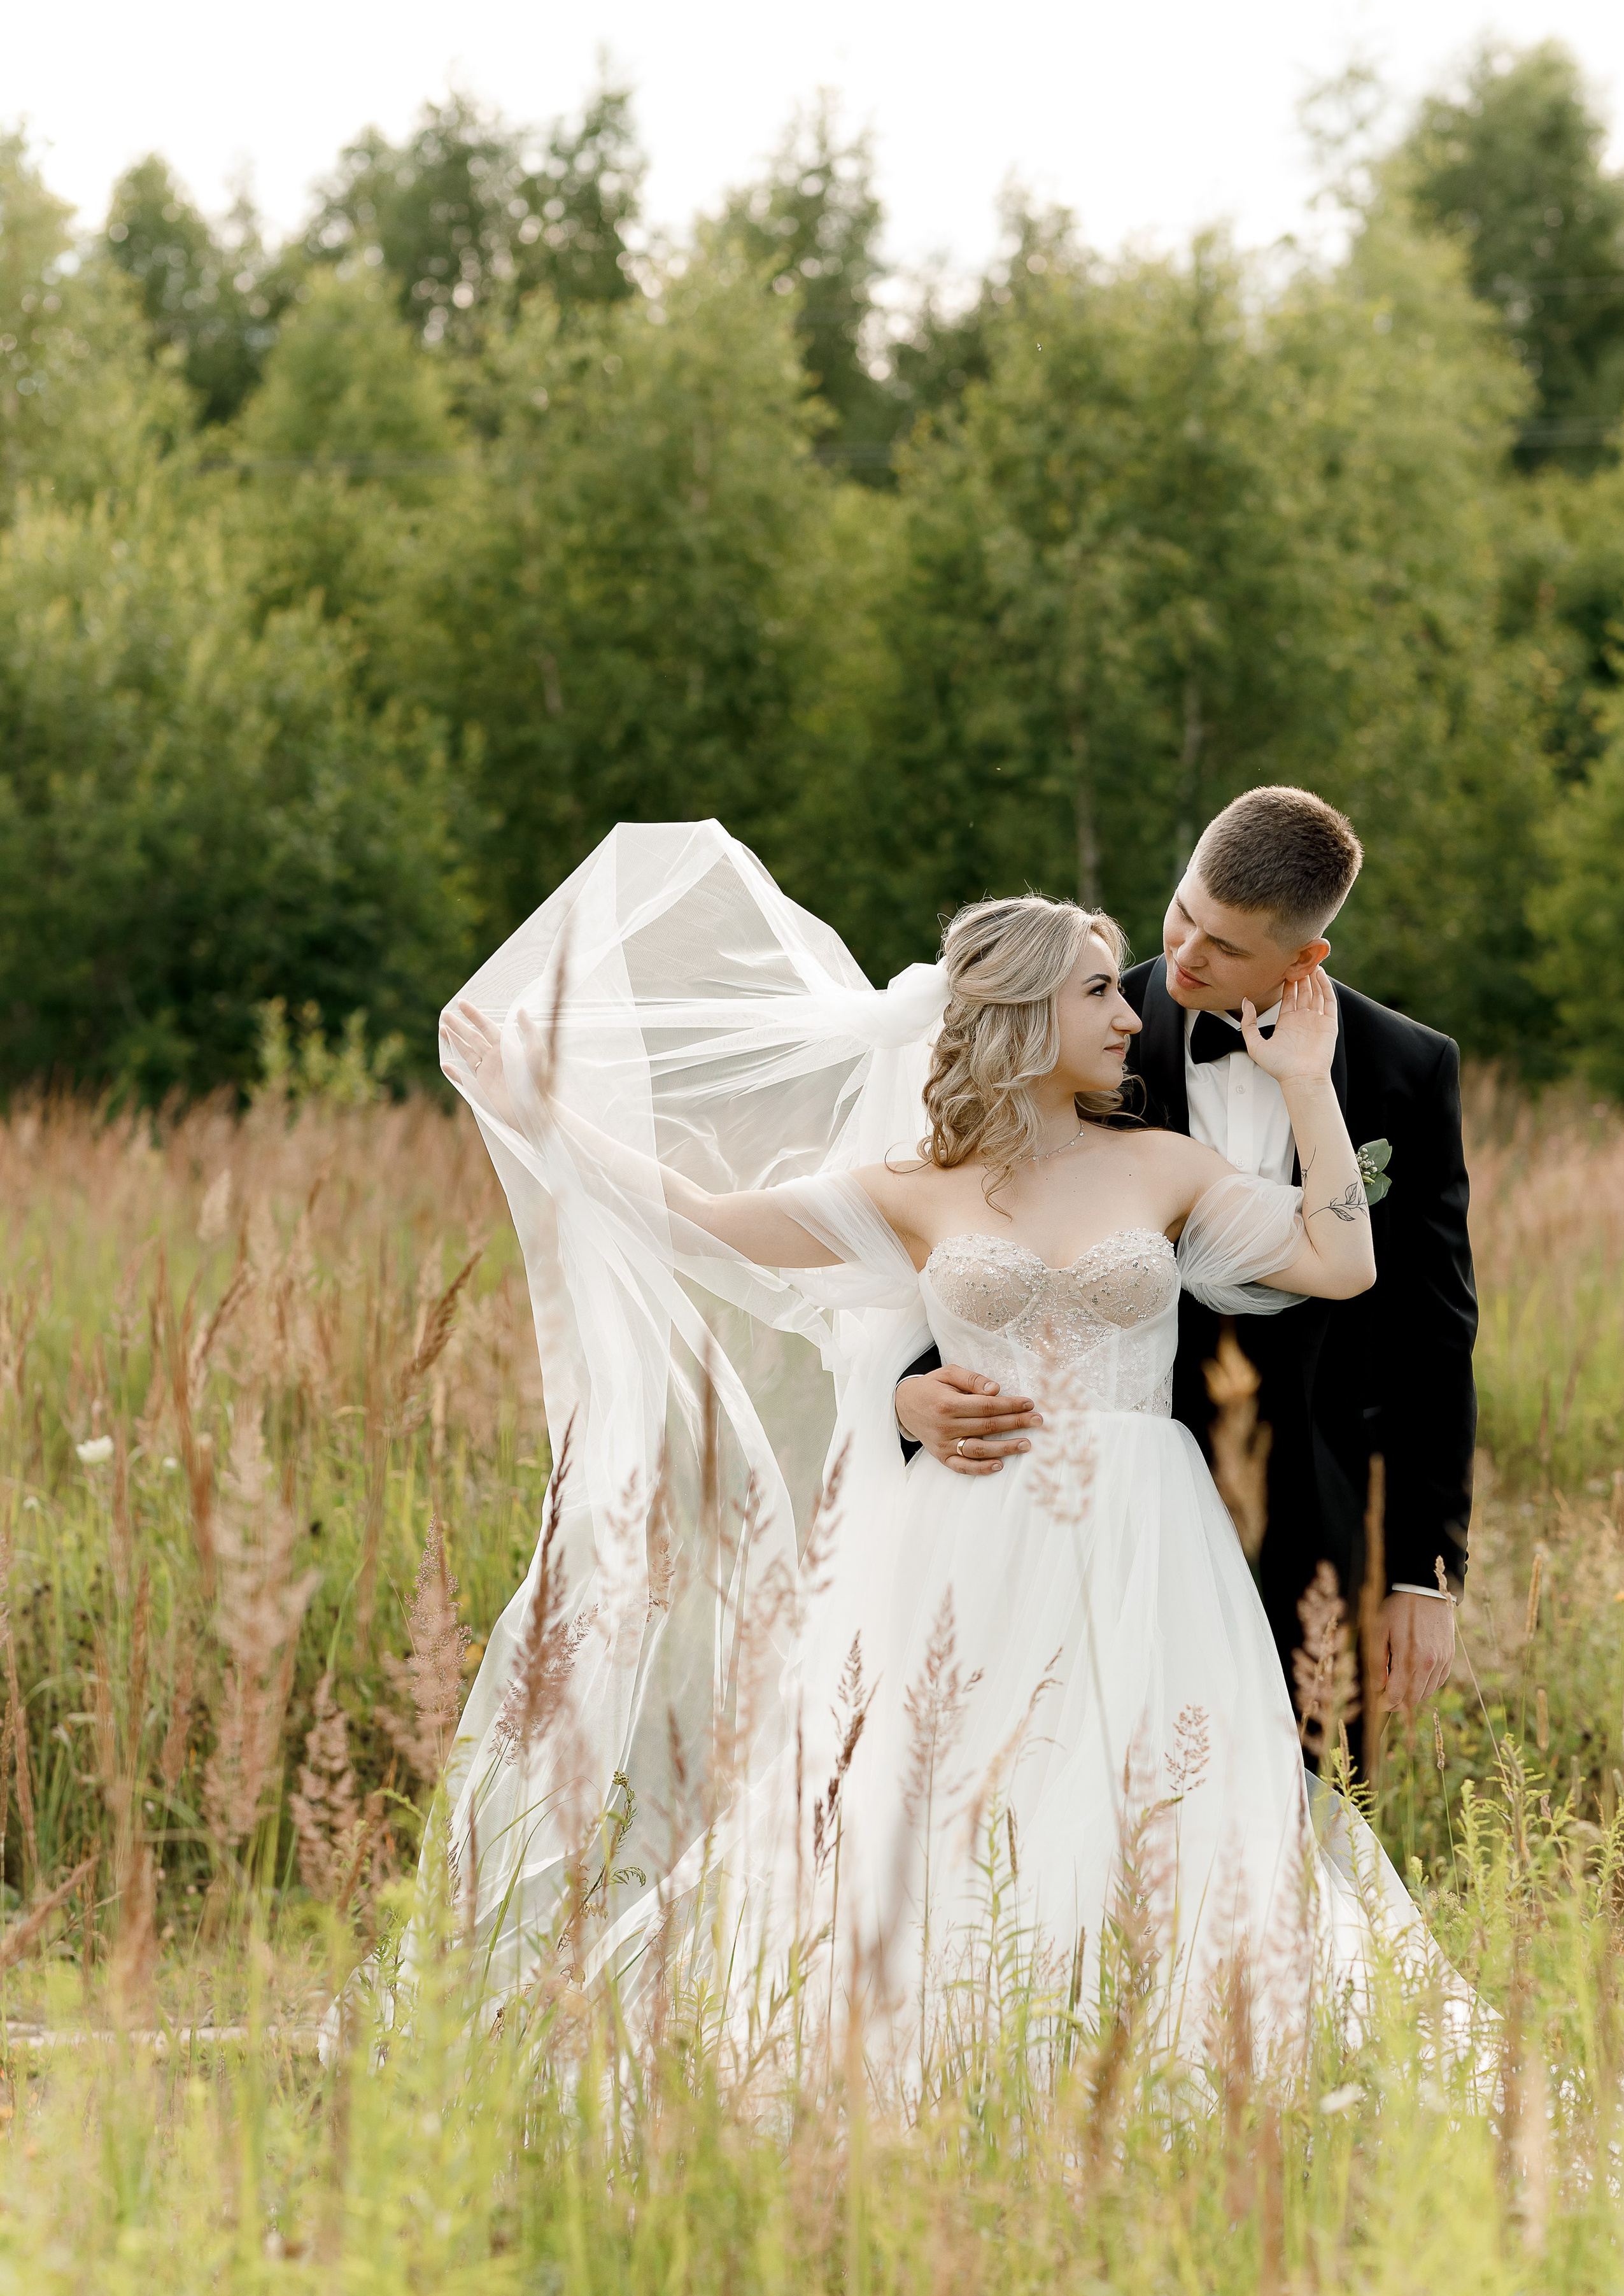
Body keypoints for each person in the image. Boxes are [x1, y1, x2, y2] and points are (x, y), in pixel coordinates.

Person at [429, 819, 1447, 2066]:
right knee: (945, 1799)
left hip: (1147, 1535)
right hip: (964, 1530)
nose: (1130, 1016)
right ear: (1022, 1015)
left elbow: (1344, 1263)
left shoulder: (1164, 1167)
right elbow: (700, 1218)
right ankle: (951, 2045)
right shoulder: (911, 1191)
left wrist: (1304, 1084)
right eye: (1095, 994)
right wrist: (539, 1113)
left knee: (1156, 1796)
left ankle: (1164, 2053)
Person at [894, 787, 1476, 1741]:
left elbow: (1435, 1331)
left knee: (1304, 1802)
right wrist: (911, 1394)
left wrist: (1424, 1573)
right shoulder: (1068, 1025)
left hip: (1320, 1507)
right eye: (1182, 913)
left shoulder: (1404, 1069)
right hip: (1093, 1507)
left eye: (1225, 947)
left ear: (1305, 958)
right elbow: (957, 1231)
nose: (1182, 956)